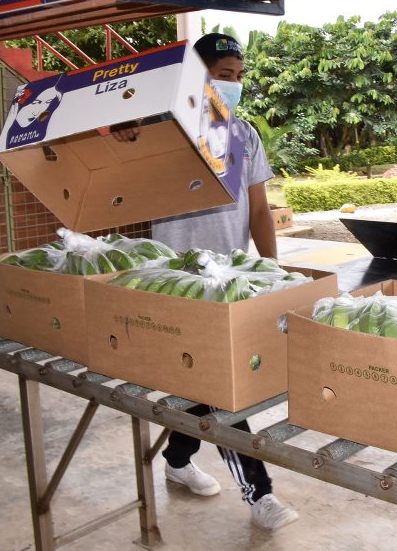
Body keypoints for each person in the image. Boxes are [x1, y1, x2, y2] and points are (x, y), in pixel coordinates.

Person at [150, 33, 298, 531]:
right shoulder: (163, 131)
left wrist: (271, 270)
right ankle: (259, 494)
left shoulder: (244, 135)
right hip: (178, 280)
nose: (233, 84)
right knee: (220, 386)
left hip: (230, 278)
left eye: (238, 76)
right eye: (223, 75)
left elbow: (258, 210)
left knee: (204, 383)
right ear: (197, 77)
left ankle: (176, 460)